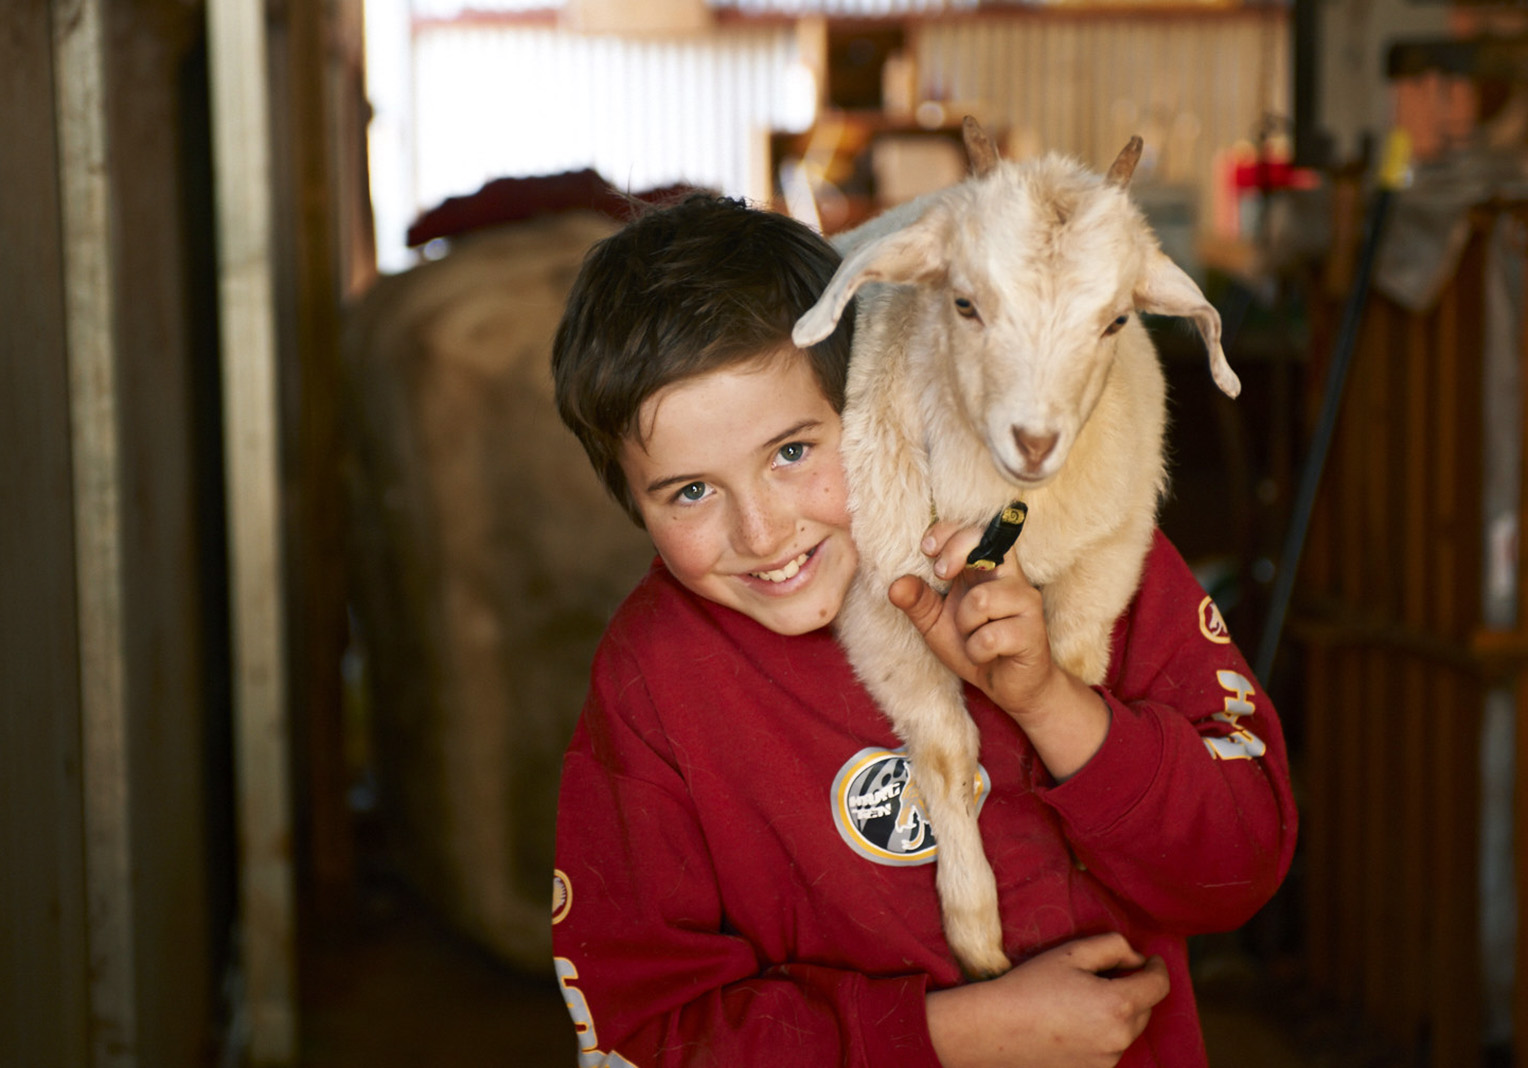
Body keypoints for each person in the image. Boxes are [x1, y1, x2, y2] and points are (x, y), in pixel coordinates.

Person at [548, 193, 1296, 1068]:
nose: (763, 533)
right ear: (628, 498)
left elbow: (1241, 866)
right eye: (689, 492)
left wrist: (1052, 702)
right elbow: (641, 1042)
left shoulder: (1075, 544)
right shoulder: (653, 682)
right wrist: (955, 1038)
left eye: (793, 452)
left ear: (868, 396)